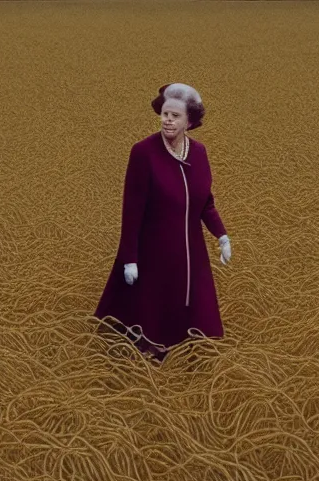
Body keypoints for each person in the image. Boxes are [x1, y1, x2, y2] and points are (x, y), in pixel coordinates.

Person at [94, 83, 233, 362]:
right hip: (152, 246)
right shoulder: (143, 152)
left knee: (188, 300)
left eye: (175, 116)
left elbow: (205, 201)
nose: (168, 120)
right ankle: (150, 346)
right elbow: (131, 210)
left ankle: (181, 344)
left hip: (190, 249)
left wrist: (221, 235)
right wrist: (130, 258)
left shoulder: (199, 153)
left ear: (189, 122)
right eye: (165, 114)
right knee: (151, 302)